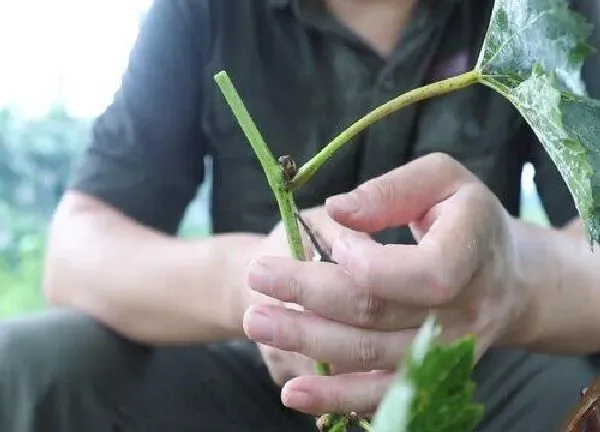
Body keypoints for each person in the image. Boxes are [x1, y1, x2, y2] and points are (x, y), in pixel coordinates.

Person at [1, 0, 599, 431]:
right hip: (255, 377)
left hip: (476, 366)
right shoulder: (201, 13)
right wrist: (254, 287)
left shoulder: (540, 16)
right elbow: (77, 251)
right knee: (35, 366)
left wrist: (512, 278)